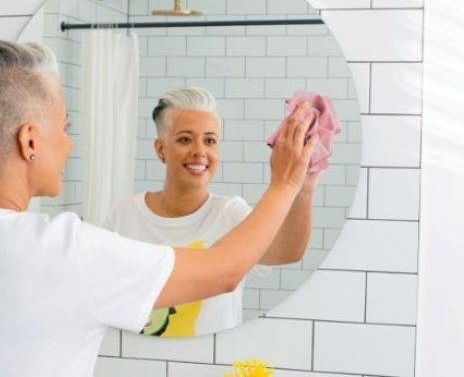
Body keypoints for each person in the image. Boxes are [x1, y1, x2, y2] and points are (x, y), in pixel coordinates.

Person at [0, 40, 317, 377]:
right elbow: (225, 271)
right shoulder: (65, 251)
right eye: (64, 126)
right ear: (30, 141)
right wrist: (287, 180)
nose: (69, 142)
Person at [101, 86, 320, 337]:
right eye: (185, 139)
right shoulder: (124, 214)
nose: (200, 151)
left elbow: (287, 252)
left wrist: (304, 190)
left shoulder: (231, 215)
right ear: (161, 149)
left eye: (210, 140)